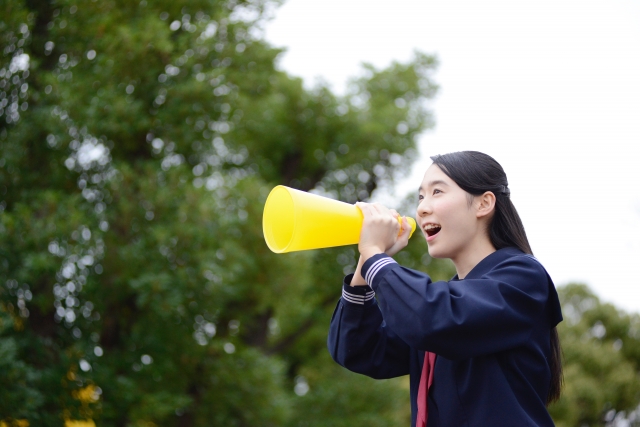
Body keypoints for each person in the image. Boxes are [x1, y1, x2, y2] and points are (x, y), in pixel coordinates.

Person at [327, 151, 563, 427]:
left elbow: (433, 318)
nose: (422, 208)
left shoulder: (523, 277)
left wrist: (377, 258)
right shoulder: (444, 303)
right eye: (420, 197)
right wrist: (365, 265)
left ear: (484, 203)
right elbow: (359, 350)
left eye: (437, 192)